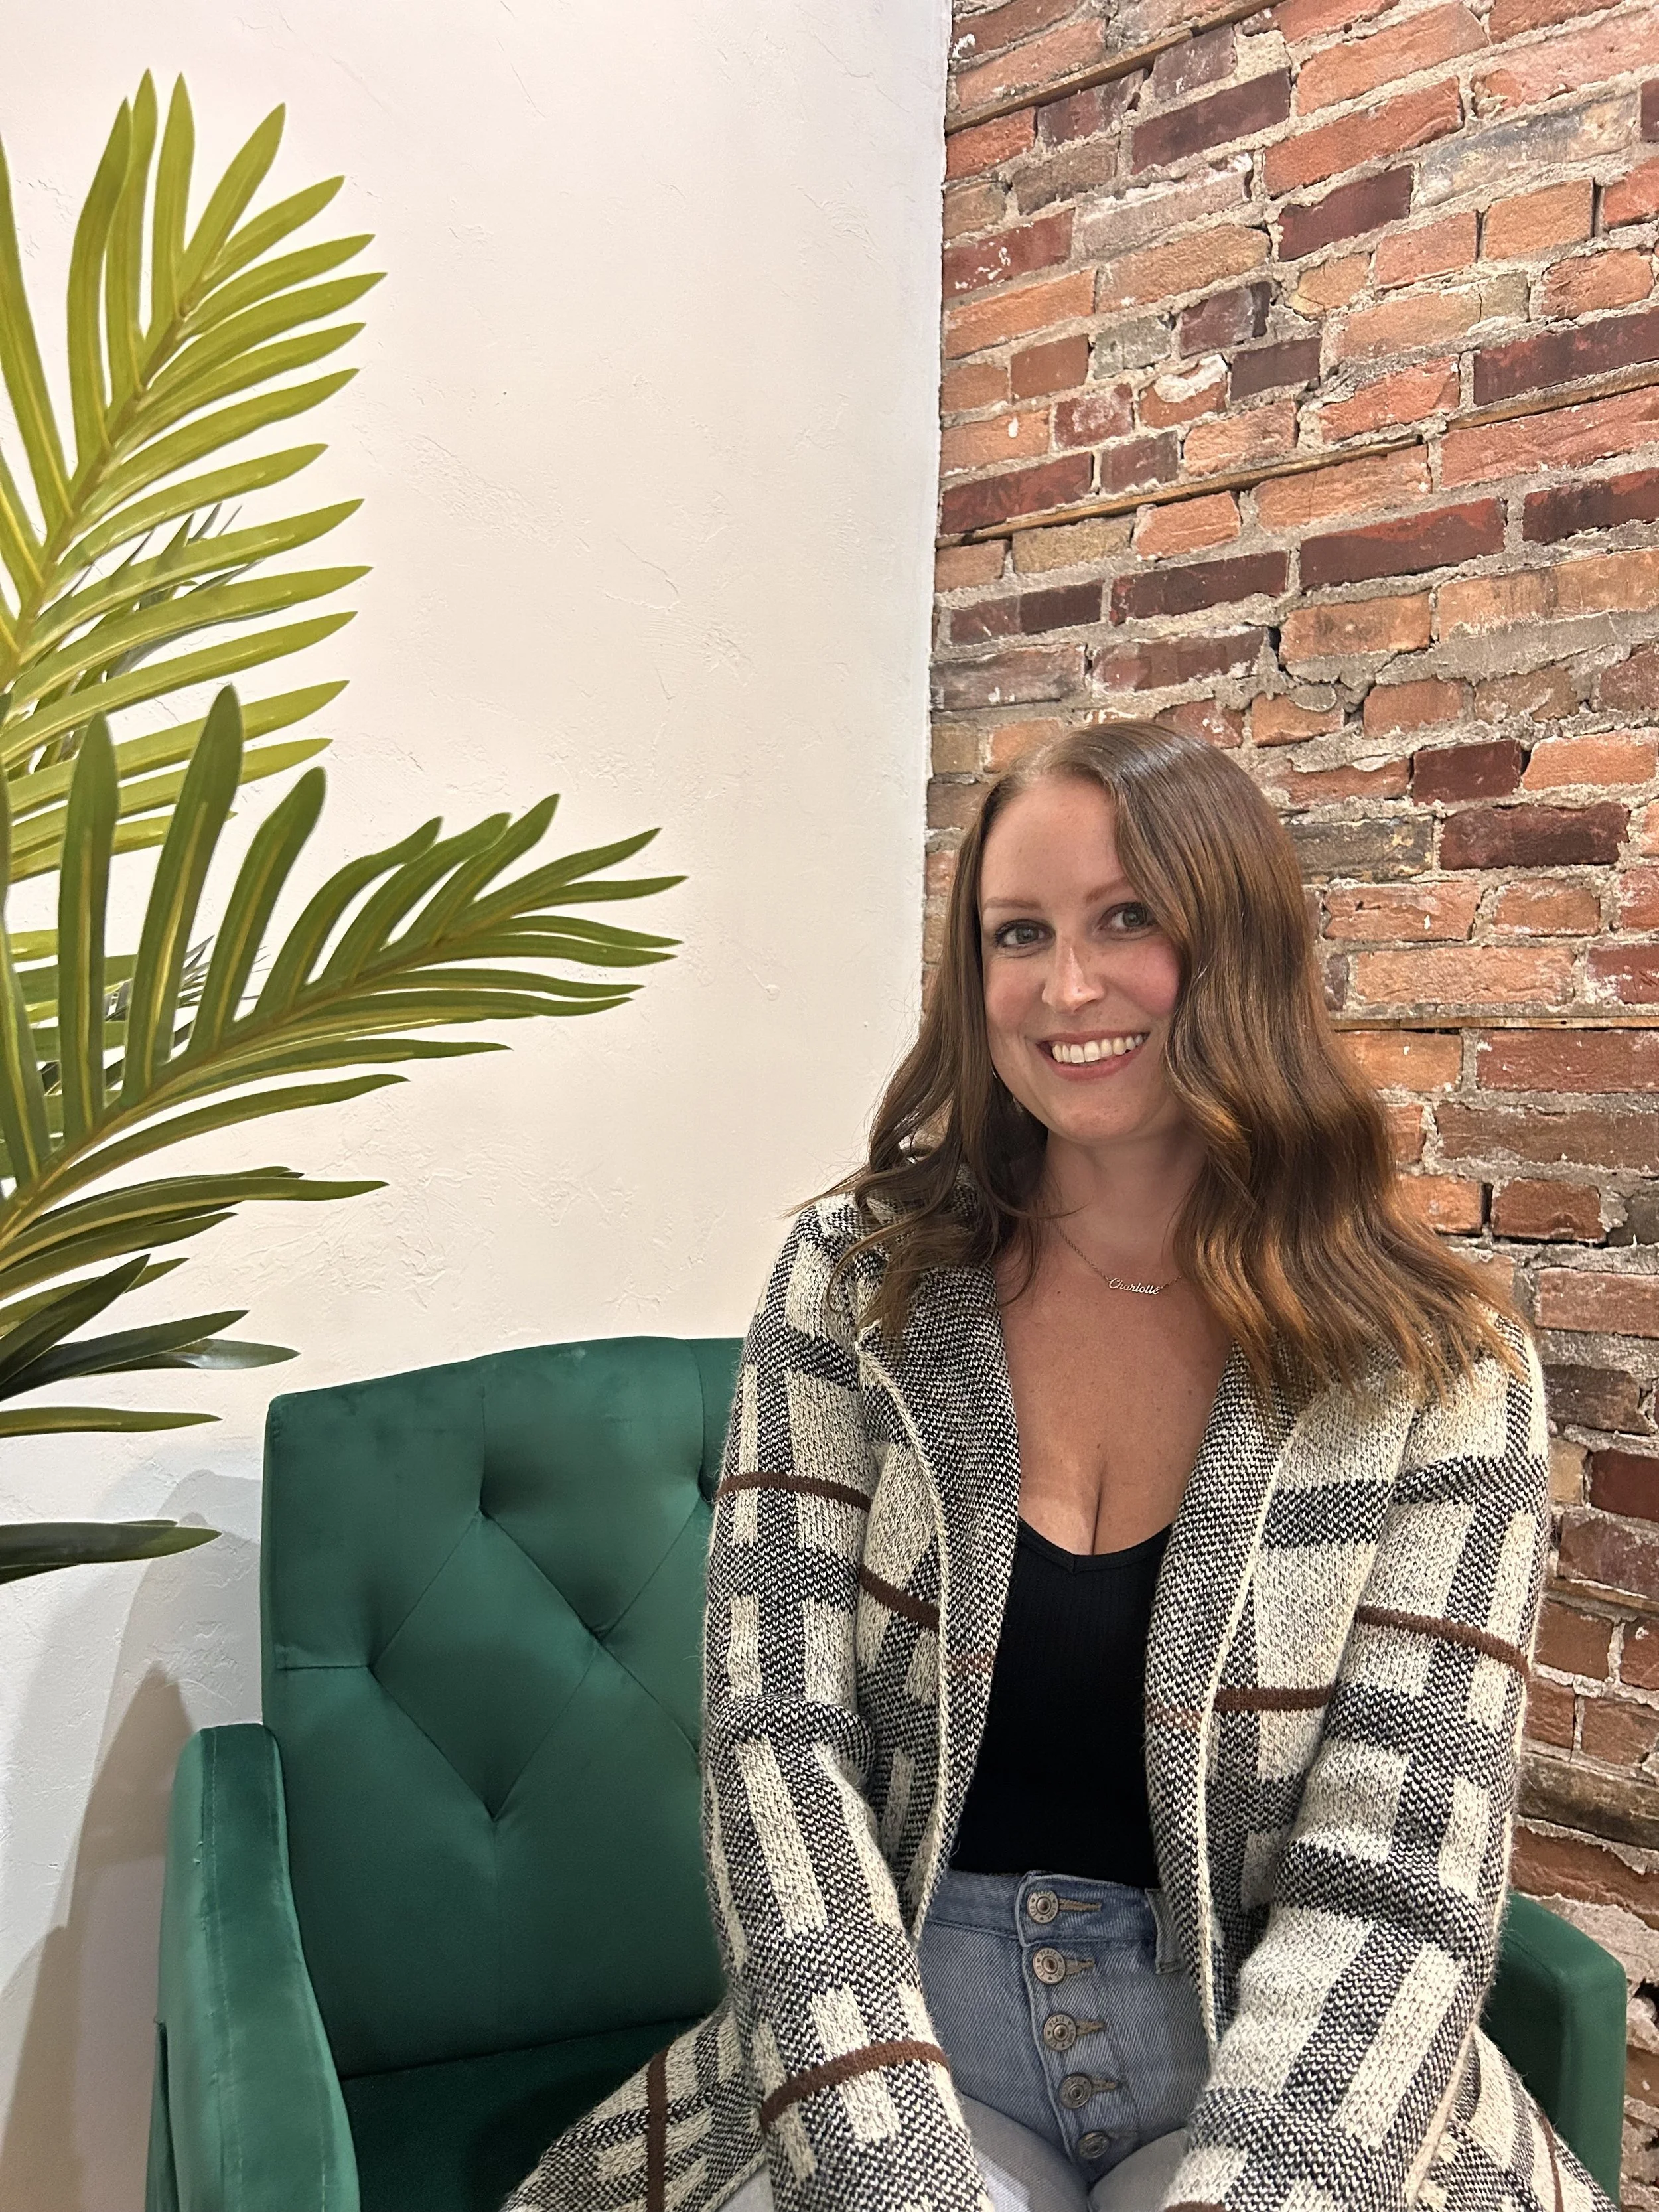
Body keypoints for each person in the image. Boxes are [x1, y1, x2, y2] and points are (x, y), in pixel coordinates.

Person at [506, 721, 1609, 2212]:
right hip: (896, 2026)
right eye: (1015, 934)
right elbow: (776, 1741)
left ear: (1233, 941)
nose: (1064, 988)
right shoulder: (855, 1280)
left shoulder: (1437, 1365)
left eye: (1125, 920)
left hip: (1270, 2054)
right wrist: (884, 2162)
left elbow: (1400, 1869)